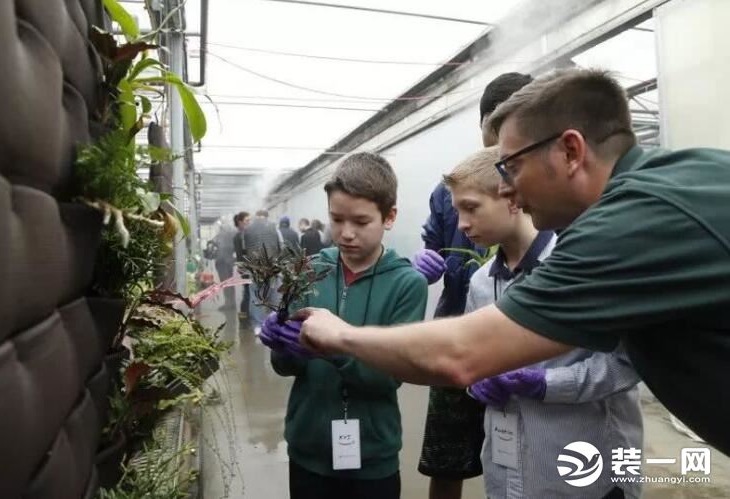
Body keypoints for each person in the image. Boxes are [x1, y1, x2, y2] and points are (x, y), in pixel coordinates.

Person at [296, 68, 730, 455]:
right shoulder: (679, 174)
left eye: (511, 167)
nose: (508, 191)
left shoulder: (624, 225)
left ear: (571, 152)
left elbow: (461, 355)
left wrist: (341, 335)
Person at [447, 146, 642, 499]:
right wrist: (477, 382)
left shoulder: (580, 267)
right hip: (509, 469)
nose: (461, 224)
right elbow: (471, 358)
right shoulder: (480, 283)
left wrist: (547, 384)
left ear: (511, 198)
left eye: (471, 208)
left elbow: (626, 365)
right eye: (457, 211)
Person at [259, 152, 428, 499]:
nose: (346, 233)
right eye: (336, 219)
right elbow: (284, 368)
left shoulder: (406, 284)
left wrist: (333, 345)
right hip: (308, 449)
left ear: (389, 217)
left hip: (372, 457)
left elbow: (388, 377)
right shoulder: (308, 270)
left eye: (361, 222)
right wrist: (282, 346)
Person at [414, 72, 533, 499]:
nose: (503, 148)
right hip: (457, 331)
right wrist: (423, 265)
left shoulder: (543, 188)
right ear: (481, 125)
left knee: (526, 448)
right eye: (495, 134)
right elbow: (433, 242)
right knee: (446, 457)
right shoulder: (447, 190)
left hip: (522, 340)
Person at [243, 209, 283, 332]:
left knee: (256, 296)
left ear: (256, 216)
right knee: (275, 294)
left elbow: (244, 248)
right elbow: (281, 245)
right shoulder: (273, 227)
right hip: (271, 265)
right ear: (266, 216)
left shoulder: (248, 229)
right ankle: (275, 322)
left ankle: (258, 326)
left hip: (254, 267)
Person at [215, 215, 237, 310]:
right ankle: (232, 303)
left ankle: (229, 304)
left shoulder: (223, 233)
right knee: (230, 283)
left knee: (225, 283)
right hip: (229, 260)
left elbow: (217, 244)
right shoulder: (233, 232)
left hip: (222, 261)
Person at [234, 211, 251, 319]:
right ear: (240, 222)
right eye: (247, 221)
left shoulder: (244, 234)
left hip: (247, 266)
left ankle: (245, 312)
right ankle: (244, 312)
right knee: (248, 290)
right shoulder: (239, 236)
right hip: (245, 266)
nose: (249, 223)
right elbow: (240, 254)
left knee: (248, 290)